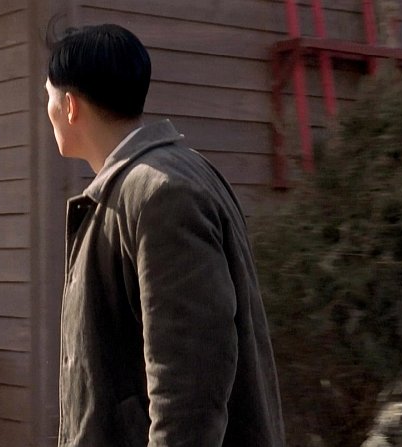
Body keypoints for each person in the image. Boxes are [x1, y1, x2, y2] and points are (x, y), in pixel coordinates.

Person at [45, 24, 285, 446]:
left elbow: (191, 378)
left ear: (69, 106)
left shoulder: (160, 193)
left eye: (47, 97)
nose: (46, 109)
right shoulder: (159, 179)